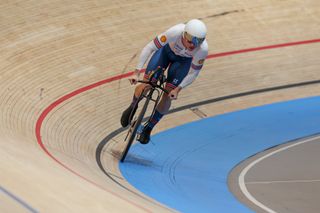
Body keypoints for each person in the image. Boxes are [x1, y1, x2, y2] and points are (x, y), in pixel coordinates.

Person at [120, 19, 208, 144]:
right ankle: (133, 105)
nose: (193, 45)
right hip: (165, 54)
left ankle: (149, 127)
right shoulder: (175, 31)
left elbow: (194, 73)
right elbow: (150, 47)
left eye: (198, 42)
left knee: (168, 96)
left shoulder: (203, 49)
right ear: (184, 34)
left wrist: (178, 89)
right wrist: (137, 72)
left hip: (182, 63)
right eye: (190, 40)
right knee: (147, 84)